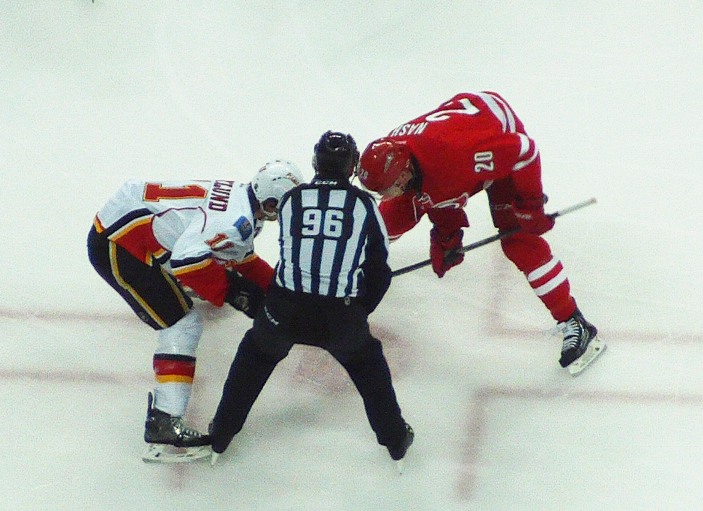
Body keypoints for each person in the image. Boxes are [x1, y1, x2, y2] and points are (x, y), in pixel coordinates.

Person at [357, 91, 605, 375]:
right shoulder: (399, 157)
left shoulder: (457, 155)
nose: (384, 195)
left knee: (518, 241)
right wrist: (446, 235)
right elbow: (437, 192)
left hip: (497, 133)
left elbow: (524, 150)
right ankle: (342, 275)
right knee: (382, 224)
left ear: (403, 175)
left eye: (386, 188)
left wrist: (531, 206)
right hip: (455, 142)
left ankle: (574, 321)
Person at [208, 131, 413, 465]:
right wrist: (358, 310)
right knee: (368, 362)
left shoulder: (292, 199)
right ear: (352, 167)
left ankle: (221, 433)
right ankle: (395, 440)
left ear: (315, 162)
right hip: (340, 318)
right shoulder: (364, 205)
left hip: (284, 310)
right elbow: (380, 271)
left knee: (255, 353)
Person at [87, 160, 304, 461]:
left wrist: (281, 289)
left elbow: (241, 258)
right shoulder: (235, 221)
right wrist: (236, 293)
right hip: (117, 243)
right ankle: (164, 420)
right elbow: (186, 262)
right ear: (270, 202)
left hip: (132, 224)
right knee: (183, 324)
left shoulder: (243, 205)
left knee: (204, 270)